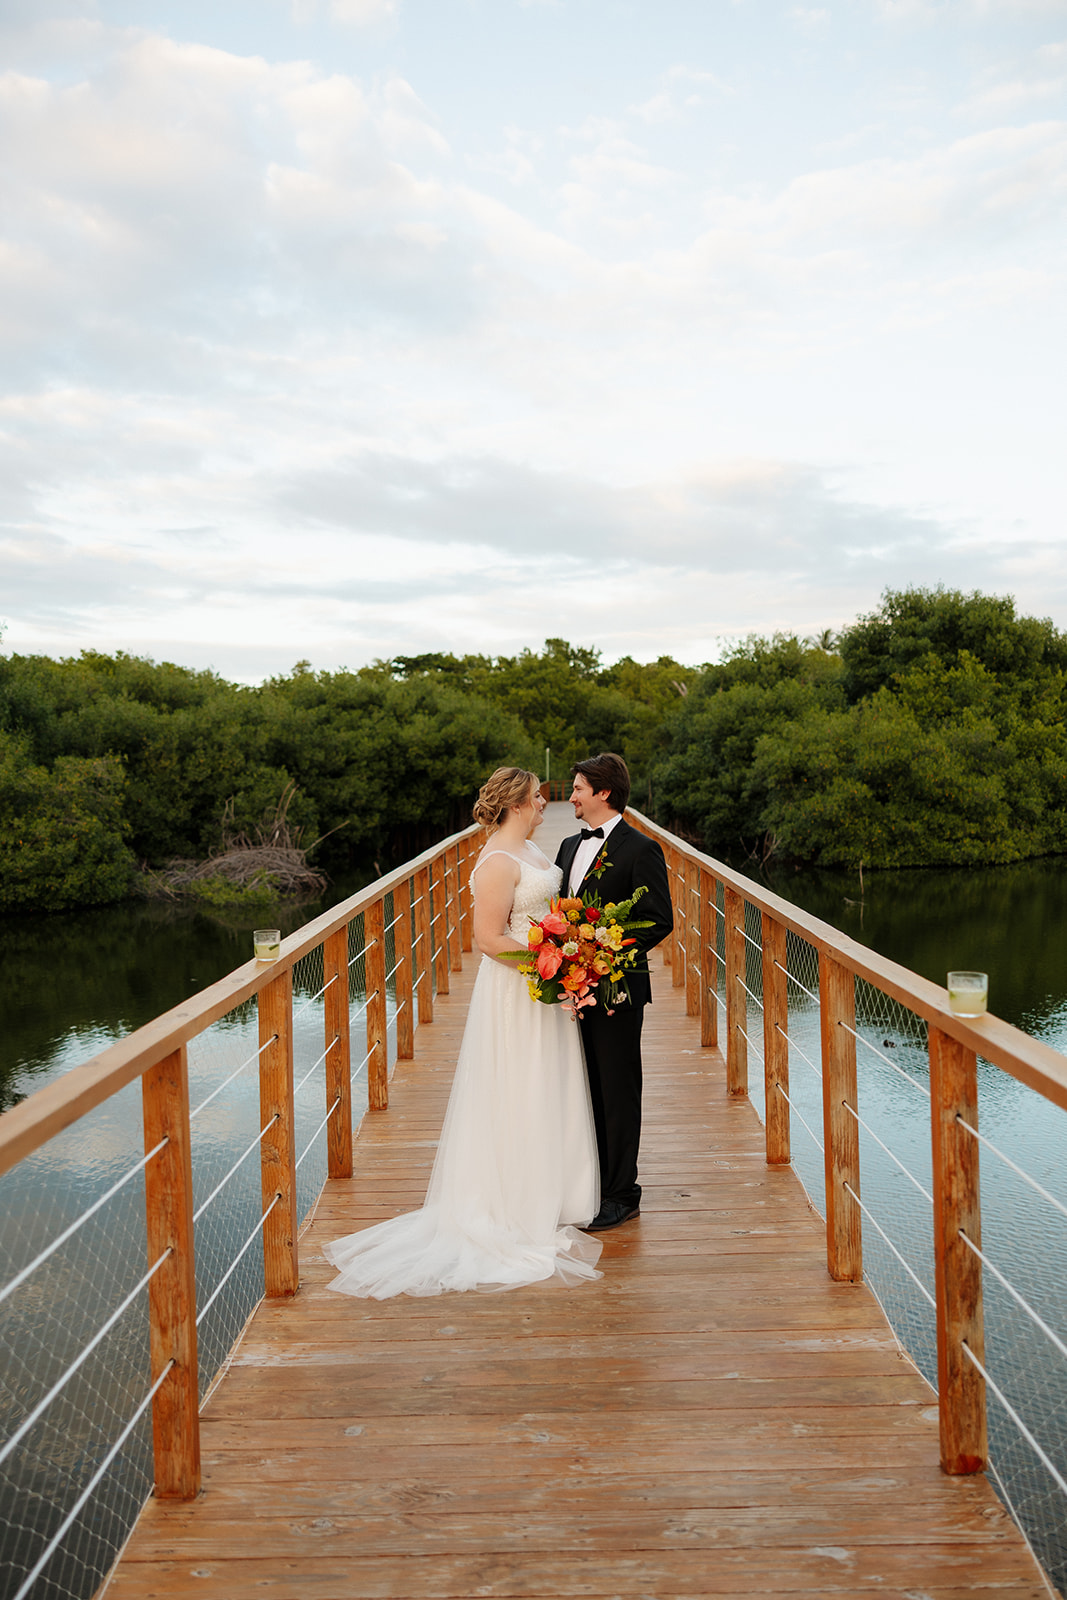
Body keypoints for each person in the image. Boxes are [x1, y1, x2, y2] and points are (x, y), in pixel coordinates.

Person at [323, 767, 602, 1297]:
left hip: (544, 985)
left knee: (549, 1084)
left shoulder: (537, 853)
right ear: (518, 803)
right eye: (540, 796)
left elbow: (550, 911)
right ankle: (512, 1204)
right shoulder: (497, 861)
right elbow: (487, 940)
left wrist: (568, 957)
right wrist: (552, 966)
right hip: (517, 990)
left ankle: (554, 1193)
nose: (548, 803)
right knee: (517, 1087)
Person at [555, 753, 674, 1232]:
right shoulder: (566, 846)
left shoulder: (640, 849)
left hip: (619, 990)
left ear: (604, 792)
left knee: (618, 1089)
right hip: (570, 990)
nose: (572, 796)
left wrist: (605, 953)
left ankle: (623, 1193)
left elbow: (660, 920)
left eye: (579, 787)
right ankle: (589, 1184)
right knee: (583, 1086)